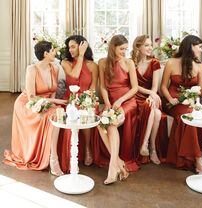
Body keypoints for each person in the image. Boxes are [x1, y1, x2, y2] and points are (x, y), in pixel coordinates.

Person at [3, 41, 66, 176]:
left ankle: (54, 156)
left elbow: (53, 91)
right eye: (53, 50)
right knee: (56, 114)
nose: (55, 52)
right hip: (28, 104)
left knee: (59, 113)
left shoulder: (55, 68)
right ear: (46, 53)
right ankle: (53, 160)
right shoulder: (32, 69)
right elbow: (32, 97)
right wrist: (55, 101)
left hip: (46, 101)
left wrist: (54, 103)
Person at [161, 35, 202, 173]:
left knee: (192, 116)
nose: (201, 49)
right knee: (188, 116)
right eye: (199, 47)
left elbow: (201, 91)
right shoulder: (171, 62)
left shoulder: (199, 66)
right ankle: (198, 159)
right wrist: (170, 99)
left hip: (191, 103)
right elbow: (163, 86)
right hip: (173, 102)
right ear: (191, 46)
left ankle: (191, 157)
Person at [98, 34, 138, 184]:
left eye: (126, 49)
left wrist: (121, 100)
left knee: (112, 123)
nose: (124, 52)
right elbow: (102, 86)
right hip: (112, 102)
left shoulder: (128, 63)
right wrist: (107, 102)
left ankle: (111, 168)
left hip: (127, 101)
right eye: (122, 49)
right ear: (113, 47)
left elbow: (134, 88)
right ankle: (118, 162)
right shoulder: (102, 63)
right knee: (101, 124)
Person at [57, 35, 98, 173]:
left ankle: (87, 148)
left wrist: (88, 99)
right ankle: (69, 155)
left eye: (73, 46)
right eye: (69, 47)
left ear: (82, 47)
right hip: (70, 99)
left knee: (86, 111)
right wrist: (80, 56)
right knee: (73, 110)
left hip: (86, 98)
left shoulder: (93, 65)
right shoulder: (65, 62)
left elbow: (93, 87)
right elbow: (74, 75)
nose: (71, 49)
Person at [131, 34, 168, 165]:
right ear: (138, 47)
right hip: (136, 96)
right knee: (156, 113)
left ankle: (147, 146)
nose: (150, 48)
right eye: (146, 45)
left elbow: (154, 87)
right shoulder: (131, 63)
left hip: (151, 95)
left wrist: (151, 96)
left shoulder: (155, 62)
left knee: (154, 108)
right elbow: (133, 86)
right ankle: (151, 148)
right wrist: (150, 94)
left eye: (151, 45)